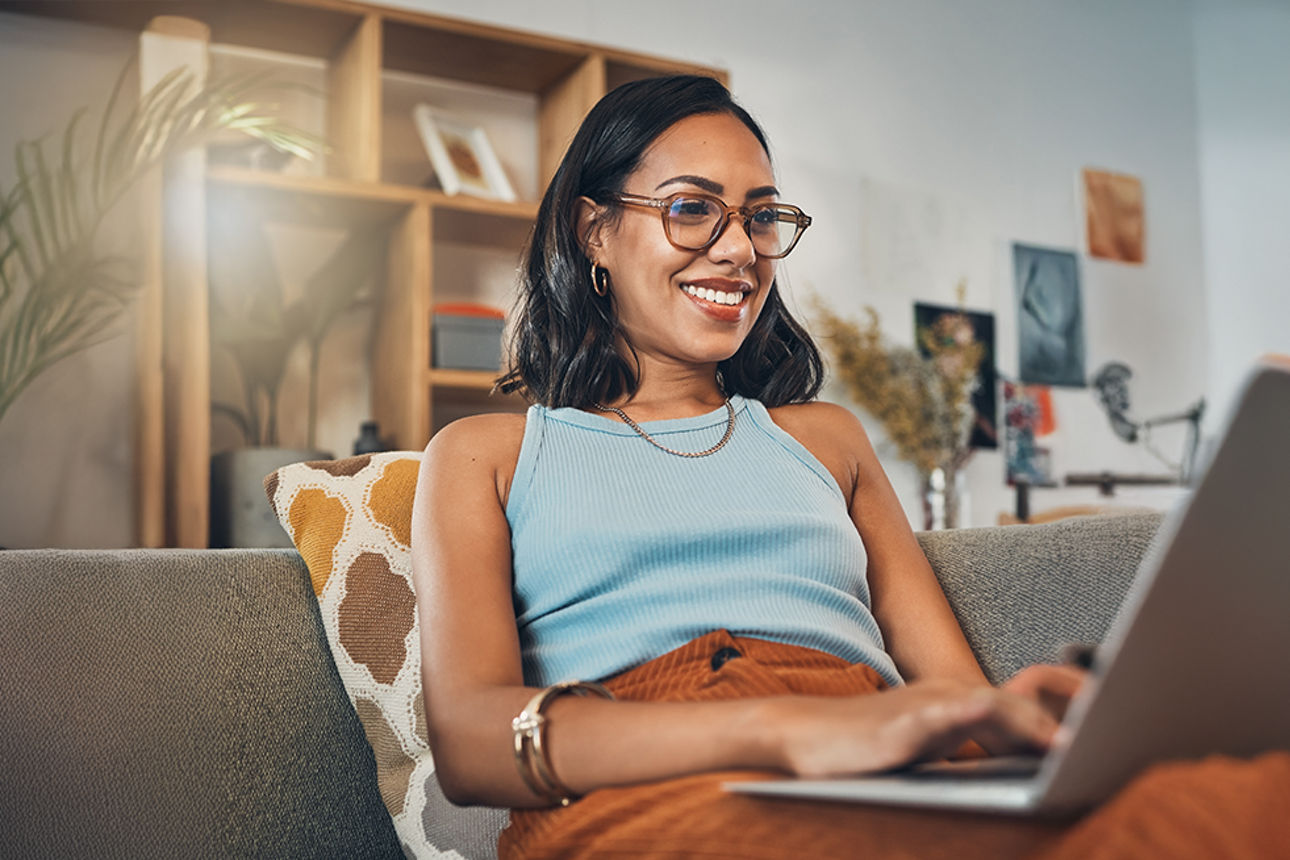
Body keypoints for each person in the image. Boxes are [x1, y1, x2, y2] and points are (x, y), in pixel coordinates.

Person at [411, 75, 1289, 859]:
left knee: (1254, 800)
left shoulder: (826, 439)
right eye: (692, 208)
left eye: (759, 215)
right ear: (594, 230)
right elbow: (474, 745)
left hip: (878, 768)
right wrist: (789, 730)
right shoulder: (487, 456)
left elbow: (951, 693)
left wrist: (1048, 726)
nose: (738, 249)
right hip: (650, 792)